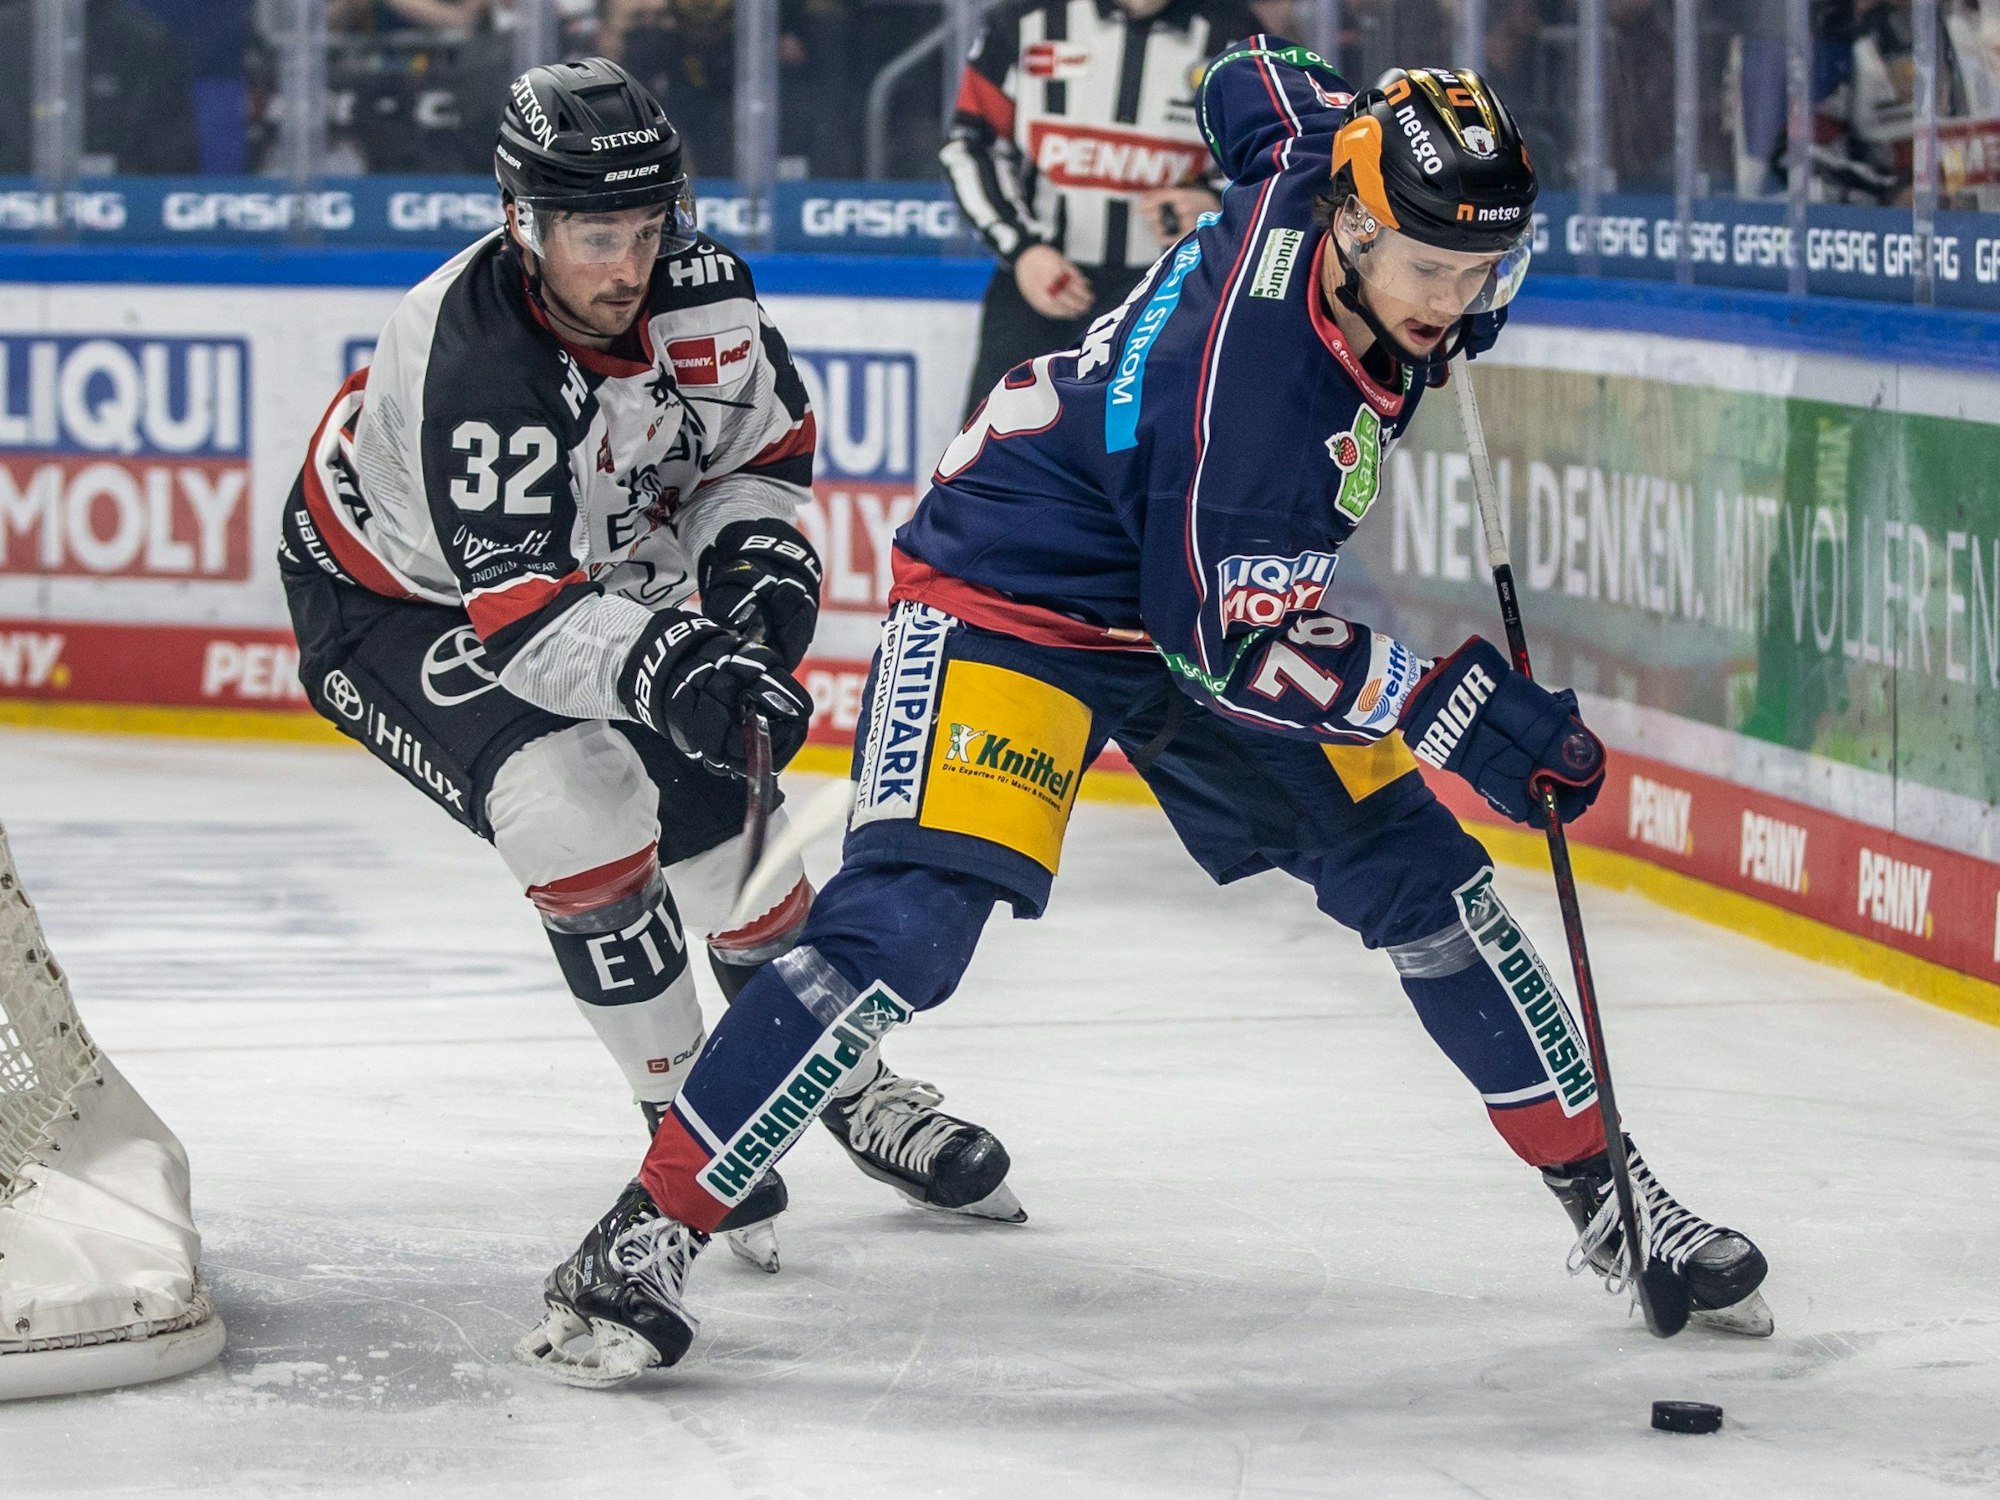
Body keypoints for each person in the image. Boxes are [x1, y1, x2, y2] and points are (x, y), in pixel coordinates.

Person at [520, 40, 1776, 1387]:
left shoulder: (1316, 157)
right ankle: (642, 1236)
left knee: (1431, 888)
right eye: (1429, 268)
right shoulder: (1258, 399)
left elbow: (1247, 76)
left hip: (1196, 590)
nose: (1451, 302)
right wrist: (1448, 710)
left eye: (1481, 273)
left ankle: (1611, 1197)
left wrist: (1359, 105)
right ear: (1355, 227)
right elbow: (1227, 649)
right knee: (904, 931)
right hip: (1020, 595)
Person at [280, 57, 1024, 1279]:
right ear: (520, 219)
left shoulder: (701, 292)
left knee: (734, 838)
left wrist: (755, 566)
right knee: (575, 802)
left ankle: (841, 1085)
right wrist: (674, 661)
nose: (627, 266)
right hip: (399, 605)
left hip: (586, 578)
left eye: (647, 225)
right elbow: (525, 624)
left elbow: (755, 460)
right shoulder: (475, 355)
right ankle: (686, 1124)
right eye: (594, 235)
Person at [939, 0, 1258, 420]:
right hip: (1039, 290)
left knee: (1156, 453)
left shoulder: (1236, 37)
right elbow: (970, 146)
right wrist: (1022, 249)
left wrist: (1216, 203)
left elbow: (1275, 161)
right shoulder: (1022, 20)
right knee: (994, 451)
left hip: (1174, 301)